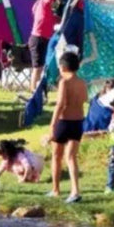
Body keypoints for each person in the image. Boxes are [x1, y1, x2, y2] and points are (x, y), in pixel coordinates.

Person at [48, 52, 88, 203]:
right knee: (71, 157)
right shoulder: (82, 82)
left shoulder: (64, 82)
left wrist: (52, 124)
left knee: (56, 156)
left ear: (63, 67)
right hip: (78, 122)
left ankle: (56, 189)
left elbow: (60, 104)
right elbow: (84, 99)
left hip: (64, 122)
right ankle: (75, 190)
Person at [28, 0, 61, 92]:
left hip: (43, 39)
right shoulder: (42, 3)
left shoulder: (43, 9)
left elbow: (52, 19)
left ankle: (38, 90)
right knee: (37, 67)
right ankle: (33, 90)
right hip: (37, 39)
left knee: (41, 67)